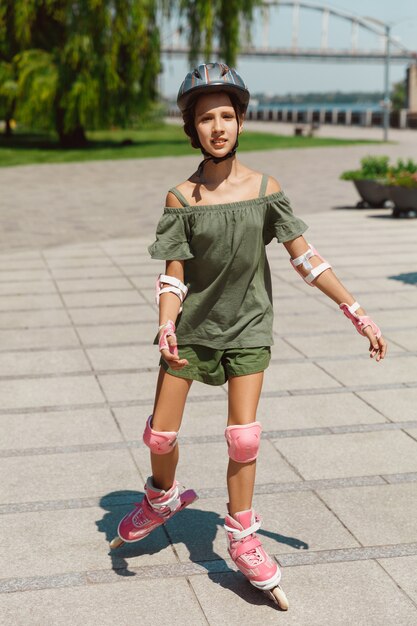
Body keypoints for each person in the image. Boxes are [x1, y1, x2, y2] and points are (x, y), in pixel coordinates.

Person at [110, 62, 387, 609]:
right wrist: (166, 321)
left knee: (244, 437)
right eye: (206, 118)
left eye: (227, 116)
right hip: (191, 330)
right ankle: (162, 497)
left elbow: (304, 258)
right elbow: (173, 274)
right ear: (193, 128)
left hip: (248, 325)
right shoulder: (182, 198)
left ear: (240, 122)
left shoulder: (265, 190)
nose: (218, 126)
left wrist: (355, 310)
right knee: (160, 438)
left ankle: (243, 537)